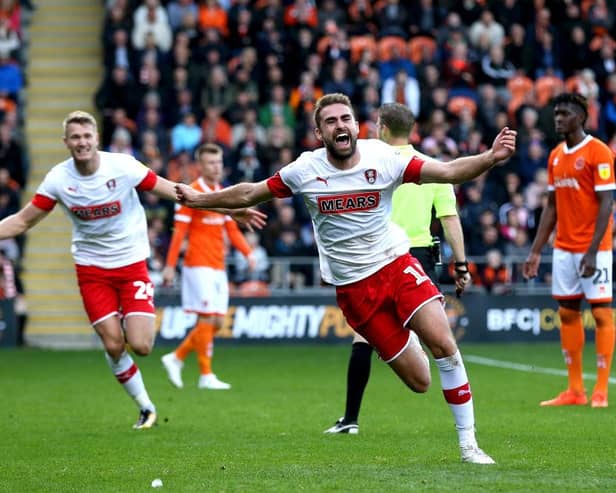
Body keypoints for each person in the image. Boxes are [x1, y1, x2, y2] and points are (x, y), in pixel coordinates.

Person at [175, 93, 517, 464]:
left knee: (445, 346)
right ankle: (407, 344)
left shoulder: (385, 158)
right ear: (319, 132)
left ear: (357, 126)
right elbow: (250, 192)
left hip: (395, 264)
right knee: (421, 382)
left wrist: (490, 158)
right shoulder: (304, 170)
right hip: (354, 288)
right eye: (331, 121)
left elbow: (449, 172)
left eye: (346, 119)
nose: (340, 125)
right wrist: (199, 200)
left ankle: (469, 446)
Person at [0, 111, 265, 429]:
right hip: (91, 269)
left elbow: (180, 194)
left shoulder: (124, 167)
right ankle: (145, 407)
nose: (82, 142)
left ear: (97, 138)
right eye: (75, 137)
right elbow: (23, 221)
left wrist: (229, 209)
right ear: (66, 142)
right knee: (113, 343)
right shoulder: (59, 179)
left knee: (141, 345)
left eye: (87, 136)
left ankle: (136, 354)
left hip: (131, 264)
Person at [324, 102, 471, 436]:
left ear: (382, 129)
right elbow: (449, 218)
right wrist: (461, 264)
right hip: (419, 255)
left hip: (383, 257)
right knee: (441, 346)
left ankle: (350, 418)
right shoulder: (429, 167)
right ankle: (464, 433)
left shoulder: (368, 163)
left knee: (364, 337)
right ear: (413, 130)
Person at [523, 93, 615, 408]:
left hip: (594, 248)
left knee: (601, 312)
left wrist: (592, 251)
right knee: (567, 312)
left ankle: (601, 389)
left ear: (581, 117)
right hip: (563, 247)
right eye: (556, 113)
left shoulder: (599, 152)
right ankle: (575, 390)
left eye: (564, 113)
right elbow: (551, 207)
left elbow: (607, 204)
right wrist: (535, 251)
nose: (558, 118)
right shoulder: (555, 156)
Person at [161, 143, 256, 390]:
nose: (217, 167)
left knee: (217, 323)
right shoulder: (190, 194)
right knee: (206, 318)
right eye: (211, 162)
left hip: (218, 265)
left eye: (219, 162)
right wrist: (170, 265)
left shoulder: (222, 193)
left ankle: (176, 357)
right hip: (198, 264)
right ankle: (206, 375)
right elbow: (179, 233)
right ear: (200, 166)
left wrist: (248, 252)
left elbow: (231, 228)